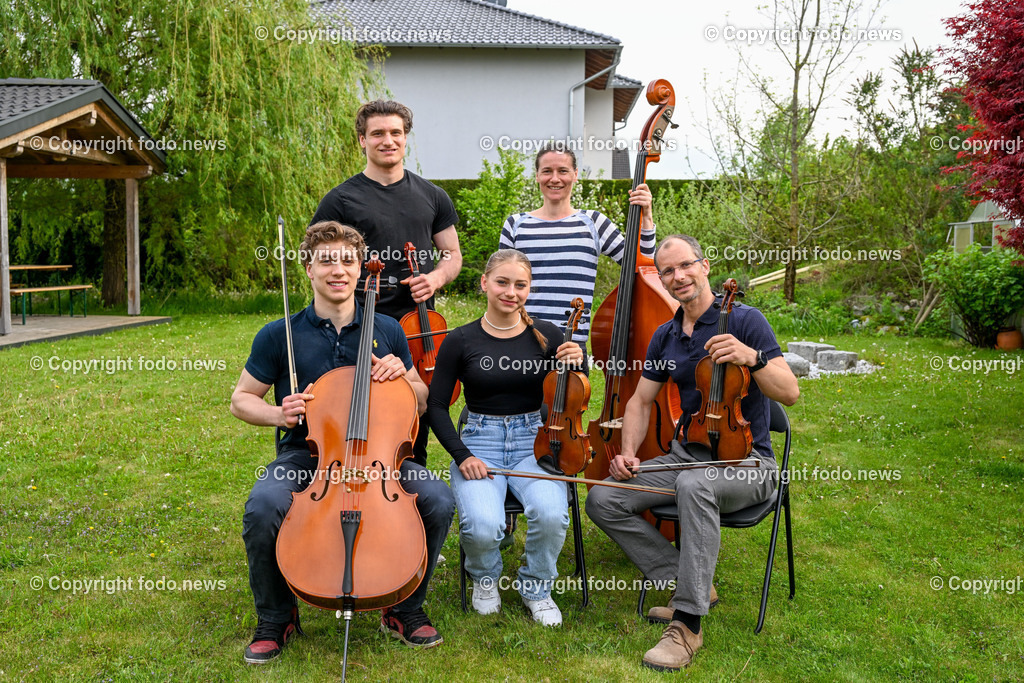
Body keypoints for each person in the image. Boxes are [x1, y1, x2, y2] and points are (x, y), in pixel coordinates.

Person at [231, 221, 455, 663]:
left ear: (359, 271)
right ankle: (277, 617)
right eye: (327, 261)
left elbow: (424, 398)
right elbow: (241, 400)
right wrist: (279, 413)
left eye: (347, 261)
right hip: (307, 456)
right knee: (263, 508)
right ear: (309, 269)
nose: (338, 270)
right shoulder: (280, 334)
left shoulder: (388, 329)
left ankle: (404, 605)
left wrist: (403, 380)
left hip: (380, 457)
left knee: (438, 499)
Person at [585, 235, 799, 672]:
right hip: (688, 456)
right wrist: (627, 452)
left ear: (704, 265)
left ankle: (686, 623)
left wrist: (752, 358)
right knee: (603, 498)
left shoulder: (745, 320)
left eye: (685, 266)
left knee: (693, 483)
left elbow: (790, 393)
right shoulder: (665, 336)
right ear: (660, 279)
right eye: (668, 271)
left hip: (750, 464)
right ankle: (688, 581)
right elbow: (641, 402)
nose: (678, 276)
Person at [426, 249, 585, 626]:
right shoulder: (460, 340)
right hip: (481, 441)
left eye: (520, 284)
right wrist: (463, 455)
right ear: (484, 283)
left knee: (550, 514)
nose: (510, 291)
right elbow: (435, 406)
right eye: (502, 282)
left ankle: (537, 588)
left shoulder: (547, 334)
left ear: (529, 288)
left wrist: (579, 360)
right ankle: (484, 577)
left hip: (537, 440)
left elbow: (574, 387)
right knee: (482, 526)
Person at [310, 99, 462, 466]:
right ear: (362, 140)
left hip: (416, 327)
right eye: (377, 133)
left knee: (412, 420)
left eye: (396, 132)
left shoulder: (432, 195)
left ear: (406, 138)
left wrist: (435, 278)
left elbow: (452, 254)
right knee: (356, 414)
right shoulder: (341, 199)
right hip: (359, 321)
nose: (387, 140)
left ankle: (406, 500)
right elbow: (319, 259)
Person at [499, 141, 657, 358]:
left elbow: (642, 266)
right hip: (522, 339)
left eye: (563, 171)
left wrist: (646, 217)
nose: (555, 178)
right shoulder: (515, 225)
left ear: (575, 175)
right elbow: (501, 288)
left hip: (571, 347)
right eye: (547, 171)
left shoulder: (594, 222)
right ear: (537, 176)